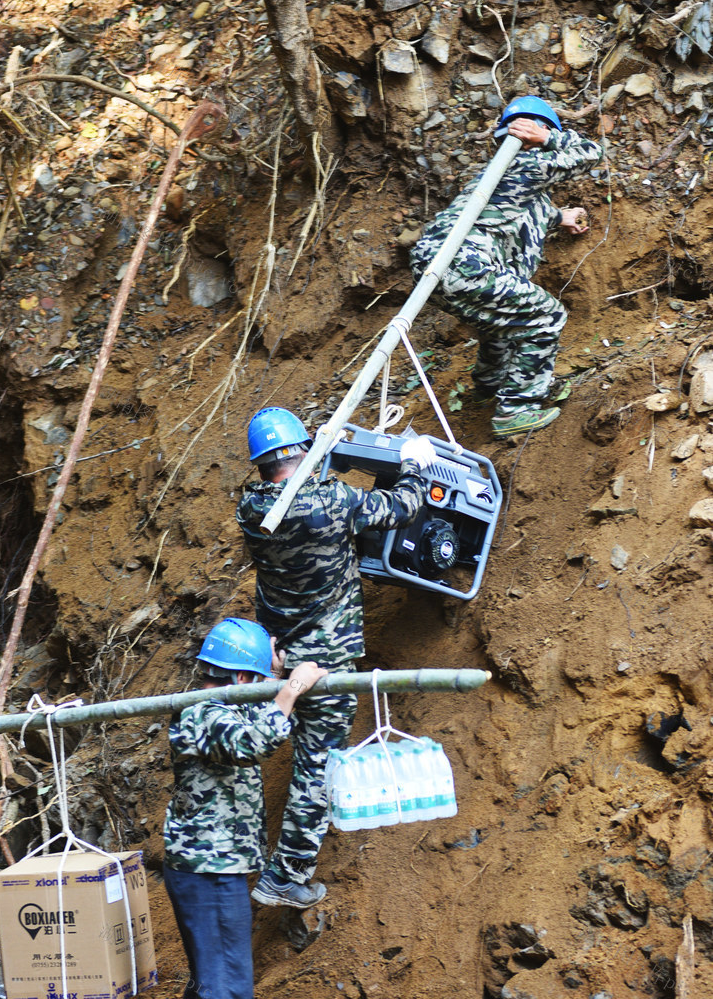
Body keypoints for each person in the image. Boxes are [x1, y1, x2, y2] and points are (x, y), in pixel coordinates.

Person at [235, 406, 437, 907]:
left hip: (282, 654)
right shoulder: (330, 500)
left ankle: (267, 861)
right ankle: (287, 873)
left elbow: (301, 498)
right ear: (300, 452)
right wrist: (414, 463)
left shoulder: (252, 508)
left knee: (293, 755)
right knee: (317, 766)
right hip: (324, 662)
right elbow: (402, 507)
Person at [410, 95, 603, 439]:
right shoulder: (528, 162)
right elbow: (591, 152)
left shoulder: (500, 176)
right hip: (465, 262)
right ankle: (517, 407)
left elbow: (530, 212)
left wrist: (564, 217)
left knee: (501, 323)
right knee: (547, 316)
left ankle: (488, 387)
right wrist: (548, 138)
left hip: (432, 264)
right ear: (534, 134)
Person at [163, 616, 327, 999]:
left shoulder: (219, 708)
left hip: (207, 867)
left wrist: (271, 675)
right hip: (209, 870)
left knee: (210, 978)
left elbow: (249, 715)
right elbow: (249, 741)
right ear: (239, 679)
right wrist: (292, 690)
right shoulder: (202, 712)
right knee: (226, 986)